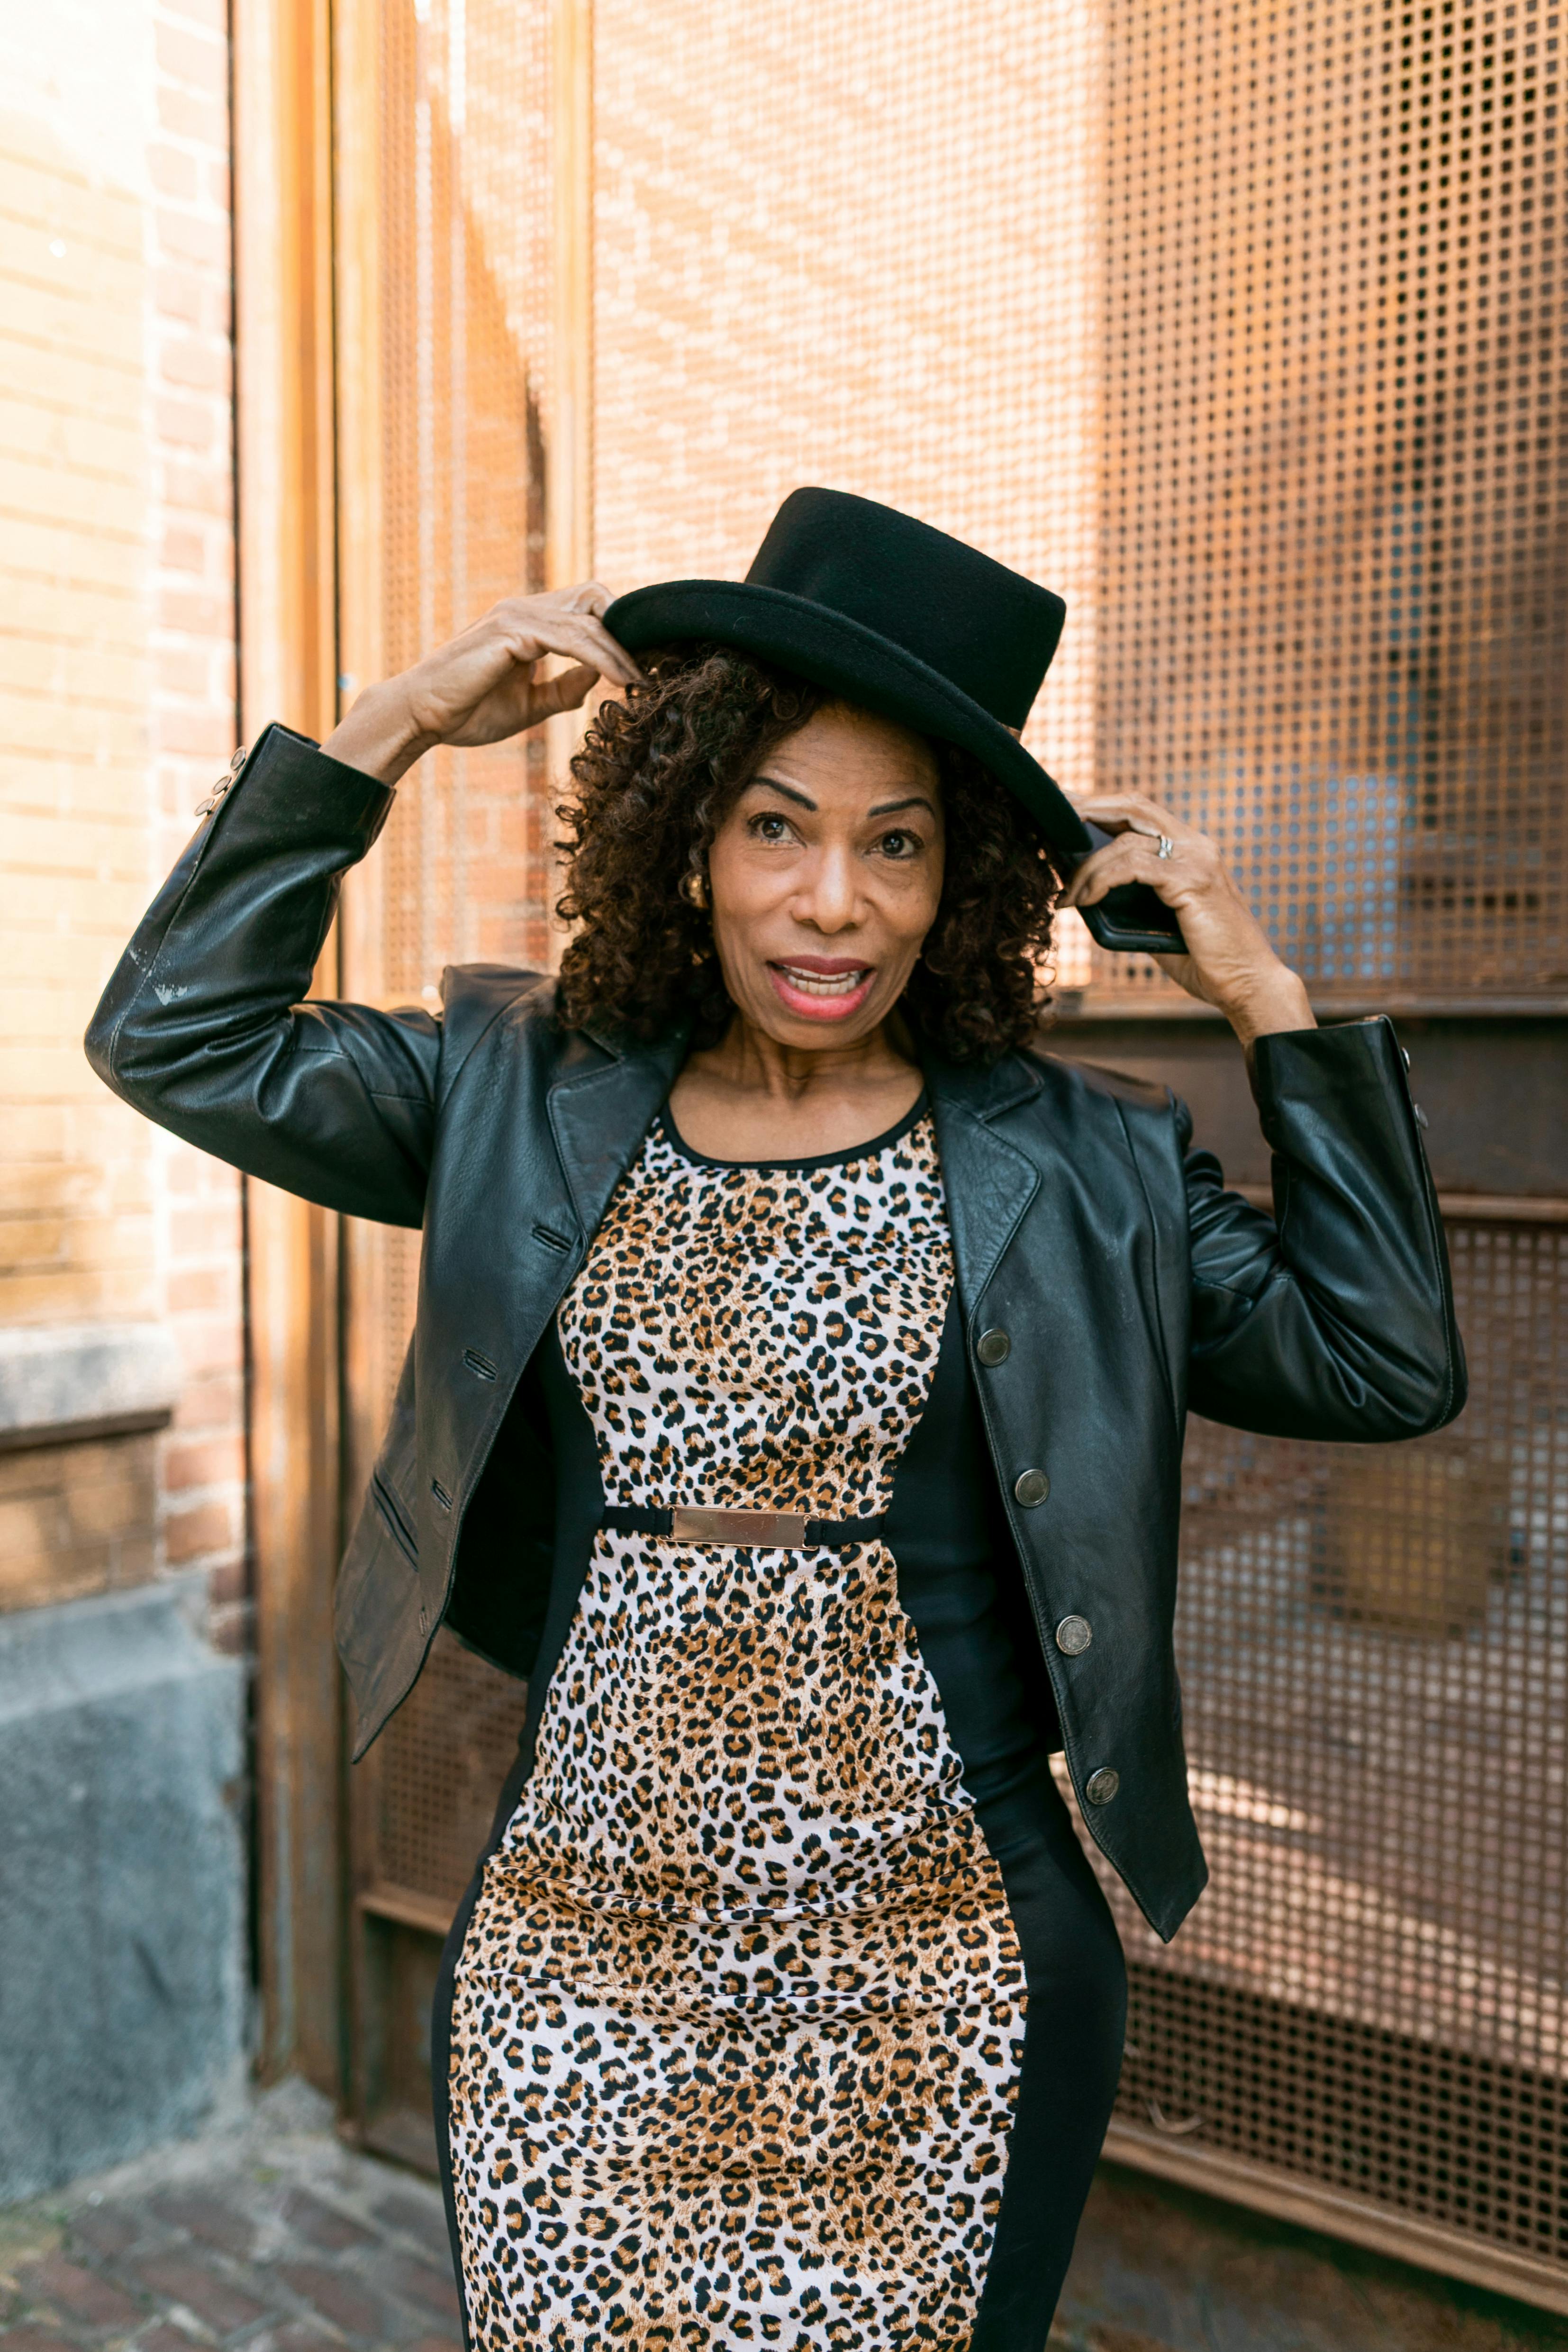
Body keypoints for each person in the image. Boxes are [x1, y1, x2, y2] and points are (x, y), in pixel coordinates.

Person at [86, 489, 1463, 2351]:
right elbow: (183, 1032)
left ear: (960, 878)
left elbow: (1379, 1359)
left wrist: (1269, 993)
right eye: (777, 825)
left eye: (897, 844)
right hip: (578, 1955)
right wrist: (390, 721)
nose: (834, 899)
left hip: (941, 1969)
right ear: (689, 836)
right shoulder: (527, 1091)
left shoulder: (1081, 1162)